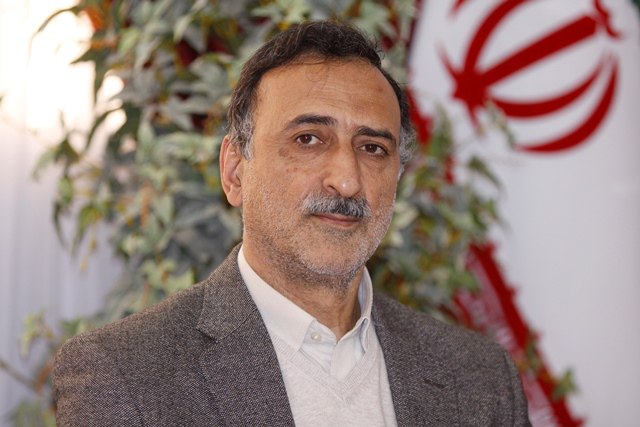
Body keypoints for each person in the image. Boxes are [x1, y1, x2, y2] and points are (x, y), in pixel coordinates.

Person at [53, 21, 531, 426]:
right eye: (308, 139)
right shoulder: (127, 376)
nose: (346, 180)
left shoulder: (479, 379)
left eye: (372, 148)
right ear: (234, 172)